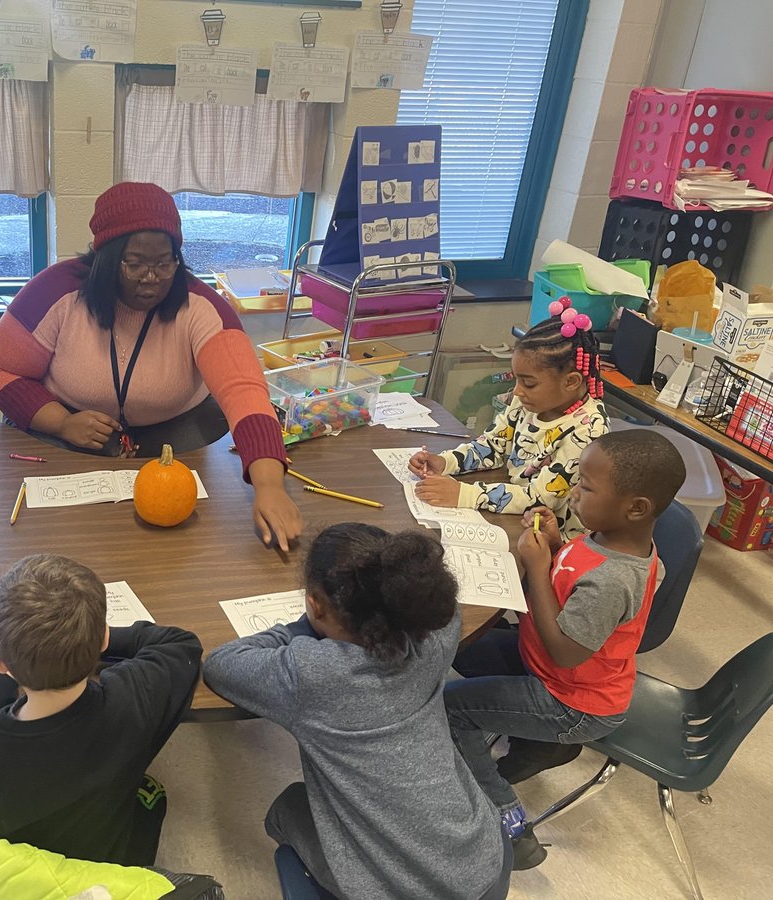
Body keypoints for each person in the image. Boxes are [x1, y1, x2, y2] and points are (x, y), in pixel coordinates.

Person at [0, 181, 301, 550]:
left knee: (174, 547)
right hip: (68, 431)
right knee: (69, 537)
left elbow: (244, 391)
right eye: (135, 264)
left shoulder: (201, 307)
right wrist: (61, 422)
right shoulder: (55, 292)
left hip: (176, 436)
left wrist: (270, 486)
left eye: (164, 264)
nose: (151, 279)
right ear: (105, 259)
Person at [203, 523, 511, 900]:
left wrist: (304, 629)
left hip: (399, 893)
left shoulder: (315, 675)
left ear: (316, 603)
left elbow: (221, 664)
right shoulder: (439, 633)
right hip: (484, 863)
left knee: (288, 807)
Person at [444, 429, 686, 870]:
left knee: (449, 709)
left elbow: (565, 652)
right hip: (552, 670)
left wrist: (537, 567)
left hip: (572, 701)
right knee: (459, 649)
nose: (574, 492)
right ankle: (538, 742)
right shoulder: (604, 536)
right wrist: (555, 547)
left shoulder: (615, 578)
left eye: (587, 487)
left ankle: (506, 823)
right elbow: (570, 580)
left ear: (635, 508)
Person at [0, 554, 203, 900]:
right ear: (102, 642)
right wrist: (102, 635)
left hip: (20, 879)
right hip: (99, 866)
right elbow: (180, 645)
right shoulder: (134, 701)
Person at [409, 300, 608, 539]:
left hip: (556, 539)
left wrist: (466, 495)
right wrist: (445, 462)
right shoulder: (529, 401)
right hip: (517, 514)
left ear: (571, 382)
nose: (517, 391)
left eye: (529, 383)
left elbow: (541, 497)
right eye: (517, 380)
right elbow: (492, 445)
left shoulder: (589, 430)